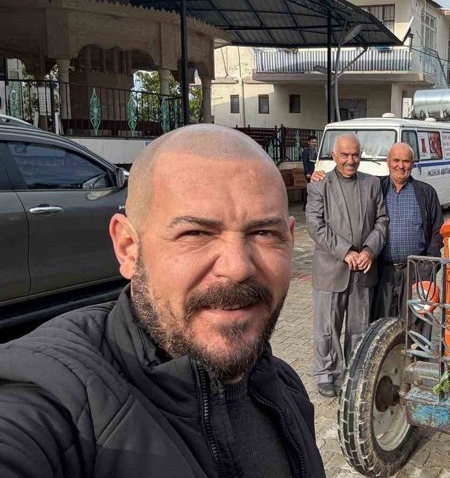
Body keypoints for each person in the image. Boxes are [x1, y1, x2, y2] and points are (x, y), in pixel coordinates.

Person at [0, 124, 325, 477]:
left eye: (264, 233)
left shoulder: (284, 388)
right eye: (196, 233)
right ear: (127, 248)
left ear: (290, 239)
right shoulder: (54, 402)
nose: (237, 267)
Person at [306, 134, 388, 397]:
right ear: (334, 156)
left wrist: (369, 250)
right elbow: (316, 226)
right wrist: (345, 252)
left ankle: (351, 372)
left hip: (363, 269)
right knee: (328, 326)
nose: (350, 160)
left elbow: (382, 221)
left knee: (358, 327)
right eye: (345, 155)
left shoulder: (372, 183)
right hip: (332, 267)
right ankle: (326, 373)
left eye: (355, 155)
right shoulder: (319, 185)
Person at [373, 143, 444, 322]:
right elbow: (348, 177)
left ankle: (413, 350)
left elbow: (437, 231)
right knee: (383, 323)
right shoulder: (375, 188)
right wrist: (322, 177)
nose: (401, 165)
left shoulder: (426, 192)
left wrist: (428, 268)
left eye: (406, 161)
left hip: (415, 271)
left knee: (416, 325)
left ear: (413, 163)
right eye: (396, 160)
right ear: (387, 162)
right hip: (383, 272)